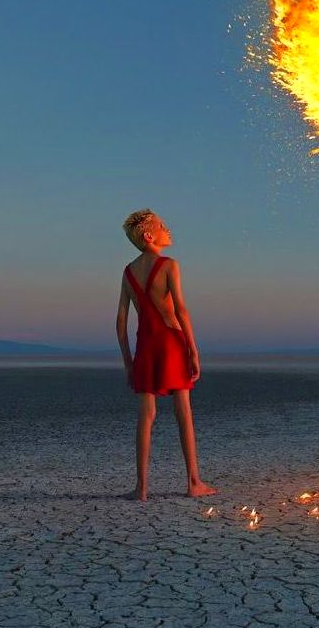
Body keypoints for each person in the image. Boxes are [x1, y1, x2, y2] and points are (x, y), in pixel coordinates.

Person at [116, 209, 217, 500]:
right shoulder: (169, 265)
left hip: (144, 346)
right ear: (149, 236)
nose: (168, 229)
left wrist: (128, 363)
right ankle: (193, 482)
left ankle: (142, 487)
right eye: (162, 226)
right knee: (183, 410)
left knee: (146, 416)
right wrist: (193, 350)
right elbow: (181, 310)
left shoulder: (128, 272)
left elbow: (121, 324)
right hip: (171, 342)